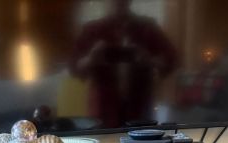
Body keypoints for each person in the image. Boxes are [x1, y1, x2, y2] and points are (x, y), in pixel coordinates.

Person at [70, 0, 177, 128]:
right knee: (103, 139)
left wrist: (148, 59)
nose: (118, 3)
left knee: (141, 138)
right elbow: (74, 67)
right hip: (103, 108)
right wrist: (91, 58)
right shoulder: (92, 29)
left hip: (140, 106)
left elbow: (171, 60)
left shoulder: (147, 28)